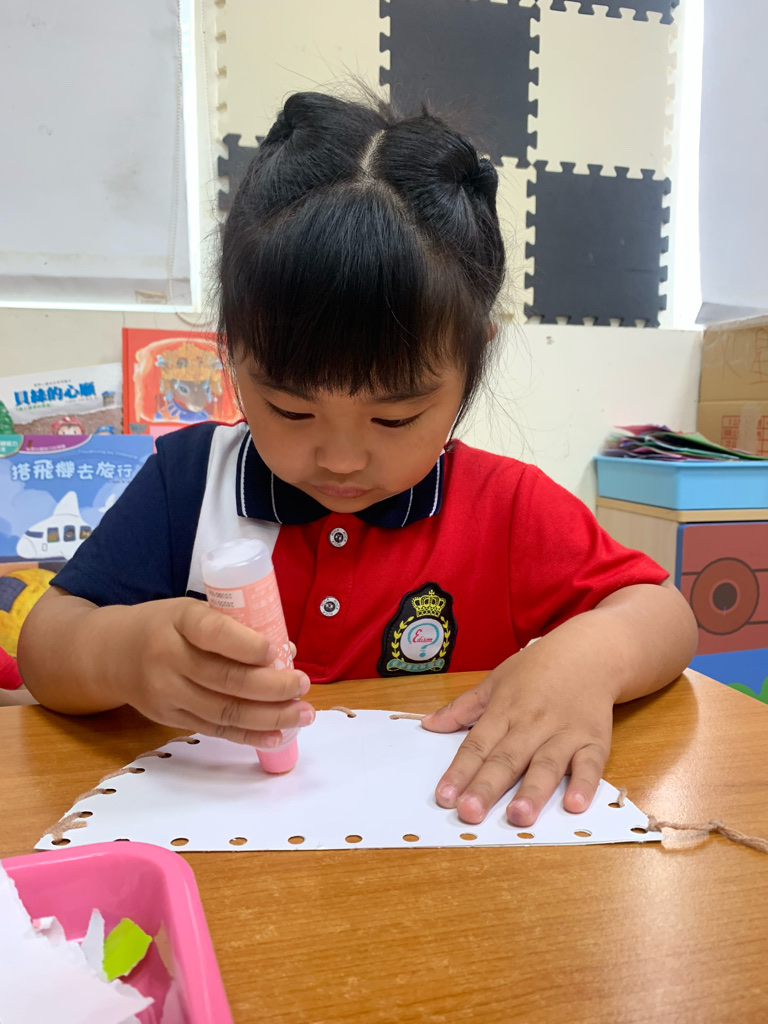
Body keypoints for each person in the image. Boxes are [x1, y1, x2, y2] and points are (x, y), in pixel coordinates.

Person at [18, 93, 697, 828]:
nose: (340, 458)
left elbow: (665, 613)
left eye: (394, 418)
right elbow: (46, 645)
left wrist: (592, 655)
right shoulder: (188, 484)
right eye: (291, 410)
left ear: (473, 364)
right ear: (231, 353)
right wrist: (121, 655)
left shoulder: (506, 509)